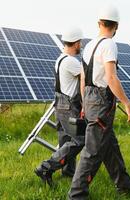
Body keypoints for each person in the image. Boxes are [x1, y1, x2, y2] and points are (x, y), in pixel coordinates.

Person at [68, 4, 130, 199]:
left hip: (90, 97)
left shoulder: (89, 46)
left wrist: (85, 104)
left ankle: (125, 185)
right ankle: (76, 195)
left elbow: (83, 79)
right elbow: (111, 78)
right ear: (116, 26)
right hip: (102, 100)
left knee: (109, 144)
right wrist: (127, 103)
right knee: (93, 151)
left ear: (99, 23)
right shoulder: (109, 45)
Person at [34, 27, 86, 186]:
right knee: (79, 141)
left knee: (65, 140)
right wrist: (84, 105)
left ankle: (69, 171)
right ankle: (45, 167)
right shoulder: (72, 61)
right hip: (69, 106)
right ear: (76, 43)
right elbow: (84, 81)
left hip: (60, 104)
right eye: (80, 43)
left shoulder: (60, 59)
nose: (81, 46)